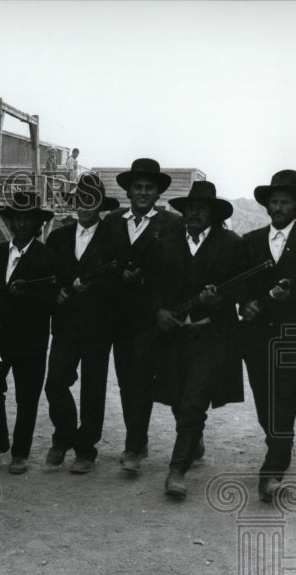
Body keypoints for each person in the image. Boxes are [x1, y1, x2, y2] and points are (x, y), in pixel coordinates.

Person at [146, 181, 244, 498]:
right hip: (172, 336)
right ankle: (194, 441)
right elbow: (151, 285)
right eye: (189, 208)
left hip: (209, 336)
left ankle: (177, 470)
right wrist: (158, 310)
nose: (194, 213)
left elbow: (242, 290)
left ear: (213, 214)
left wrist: (220, 302)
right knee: (176, 396)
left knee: (193, 402)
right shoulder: (165, 242)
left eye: (201, 209)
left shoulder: (232, 244)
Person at [239, 170, 296, 501]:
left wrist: (287, 294)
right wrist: (246, 304)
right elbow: (241, 285)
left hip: (294, 333)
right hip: (255, 335)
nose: (278, 207)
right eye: (274, 201)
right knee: (264, 399)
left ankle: (273, 468)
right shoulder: (249, 241)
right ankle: (277, 445)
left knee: (285, 396)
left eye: (285, 202)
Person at [102, 157, 182, 473]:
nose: (143, 193)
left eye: (149, 188)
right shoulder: (112, 222)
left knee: (164, 379)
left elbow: (175, 270)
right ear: (128, 191)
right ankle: (136, 444)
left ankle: (189, 435)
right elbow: (104, 262)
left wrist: (145, 278)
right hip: (121, 318)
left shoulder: (172, 224)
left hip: (156, 316)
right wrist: (118, 277)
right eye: (138, 187)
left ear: (158, 193)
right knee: (127, 381)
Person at [44, 173, 120, 473]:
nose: (85, 206)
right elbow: (48, 276)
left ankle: (86, 449)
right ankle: (63, 436)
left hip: (99, 326)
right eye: (80, 199)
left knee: (93, 388)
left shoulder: (113, 237)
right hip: (65, 325)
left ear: (101, 204)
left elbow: (120, 281)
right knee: (55, 383)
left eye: (92, 200)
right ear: (74, 203)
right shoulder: (59, 237)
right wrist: (58, 292)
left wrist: (97, 289)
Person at [0, 192, 57, 474]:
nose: (22, 224)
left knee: (27, 397)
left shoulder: (48, 257)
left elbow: (51, 302)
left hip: (31, 339)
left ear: (37, 224)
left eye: (28, 219)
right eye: (17, 218)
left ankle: (21, 453)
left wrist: (25, 296)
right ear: (10, 222)